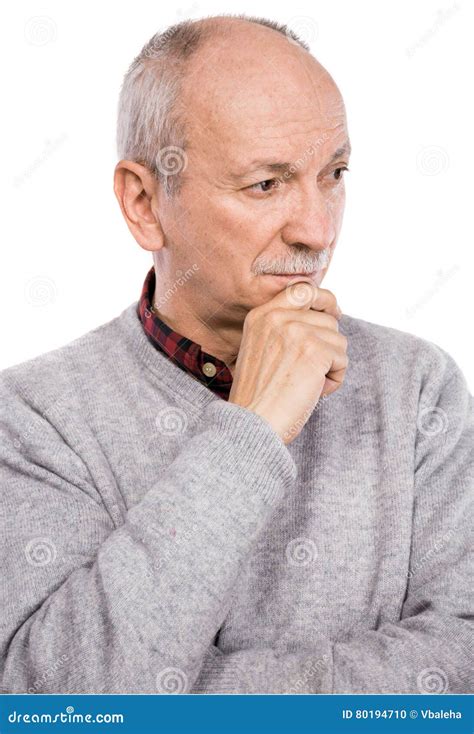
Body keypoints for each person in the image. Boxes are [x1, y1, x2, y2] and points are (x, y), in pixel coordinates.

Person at [0, 15, 472, 695]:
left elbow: (462, 667)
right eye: (266, 185)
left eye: (334, 173)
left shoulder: (420, 388)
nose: (317, 230)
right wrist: (251, 430)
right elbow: (56, 699)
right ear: (143, 202)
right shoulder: (30, 420)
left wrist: (188, 692)